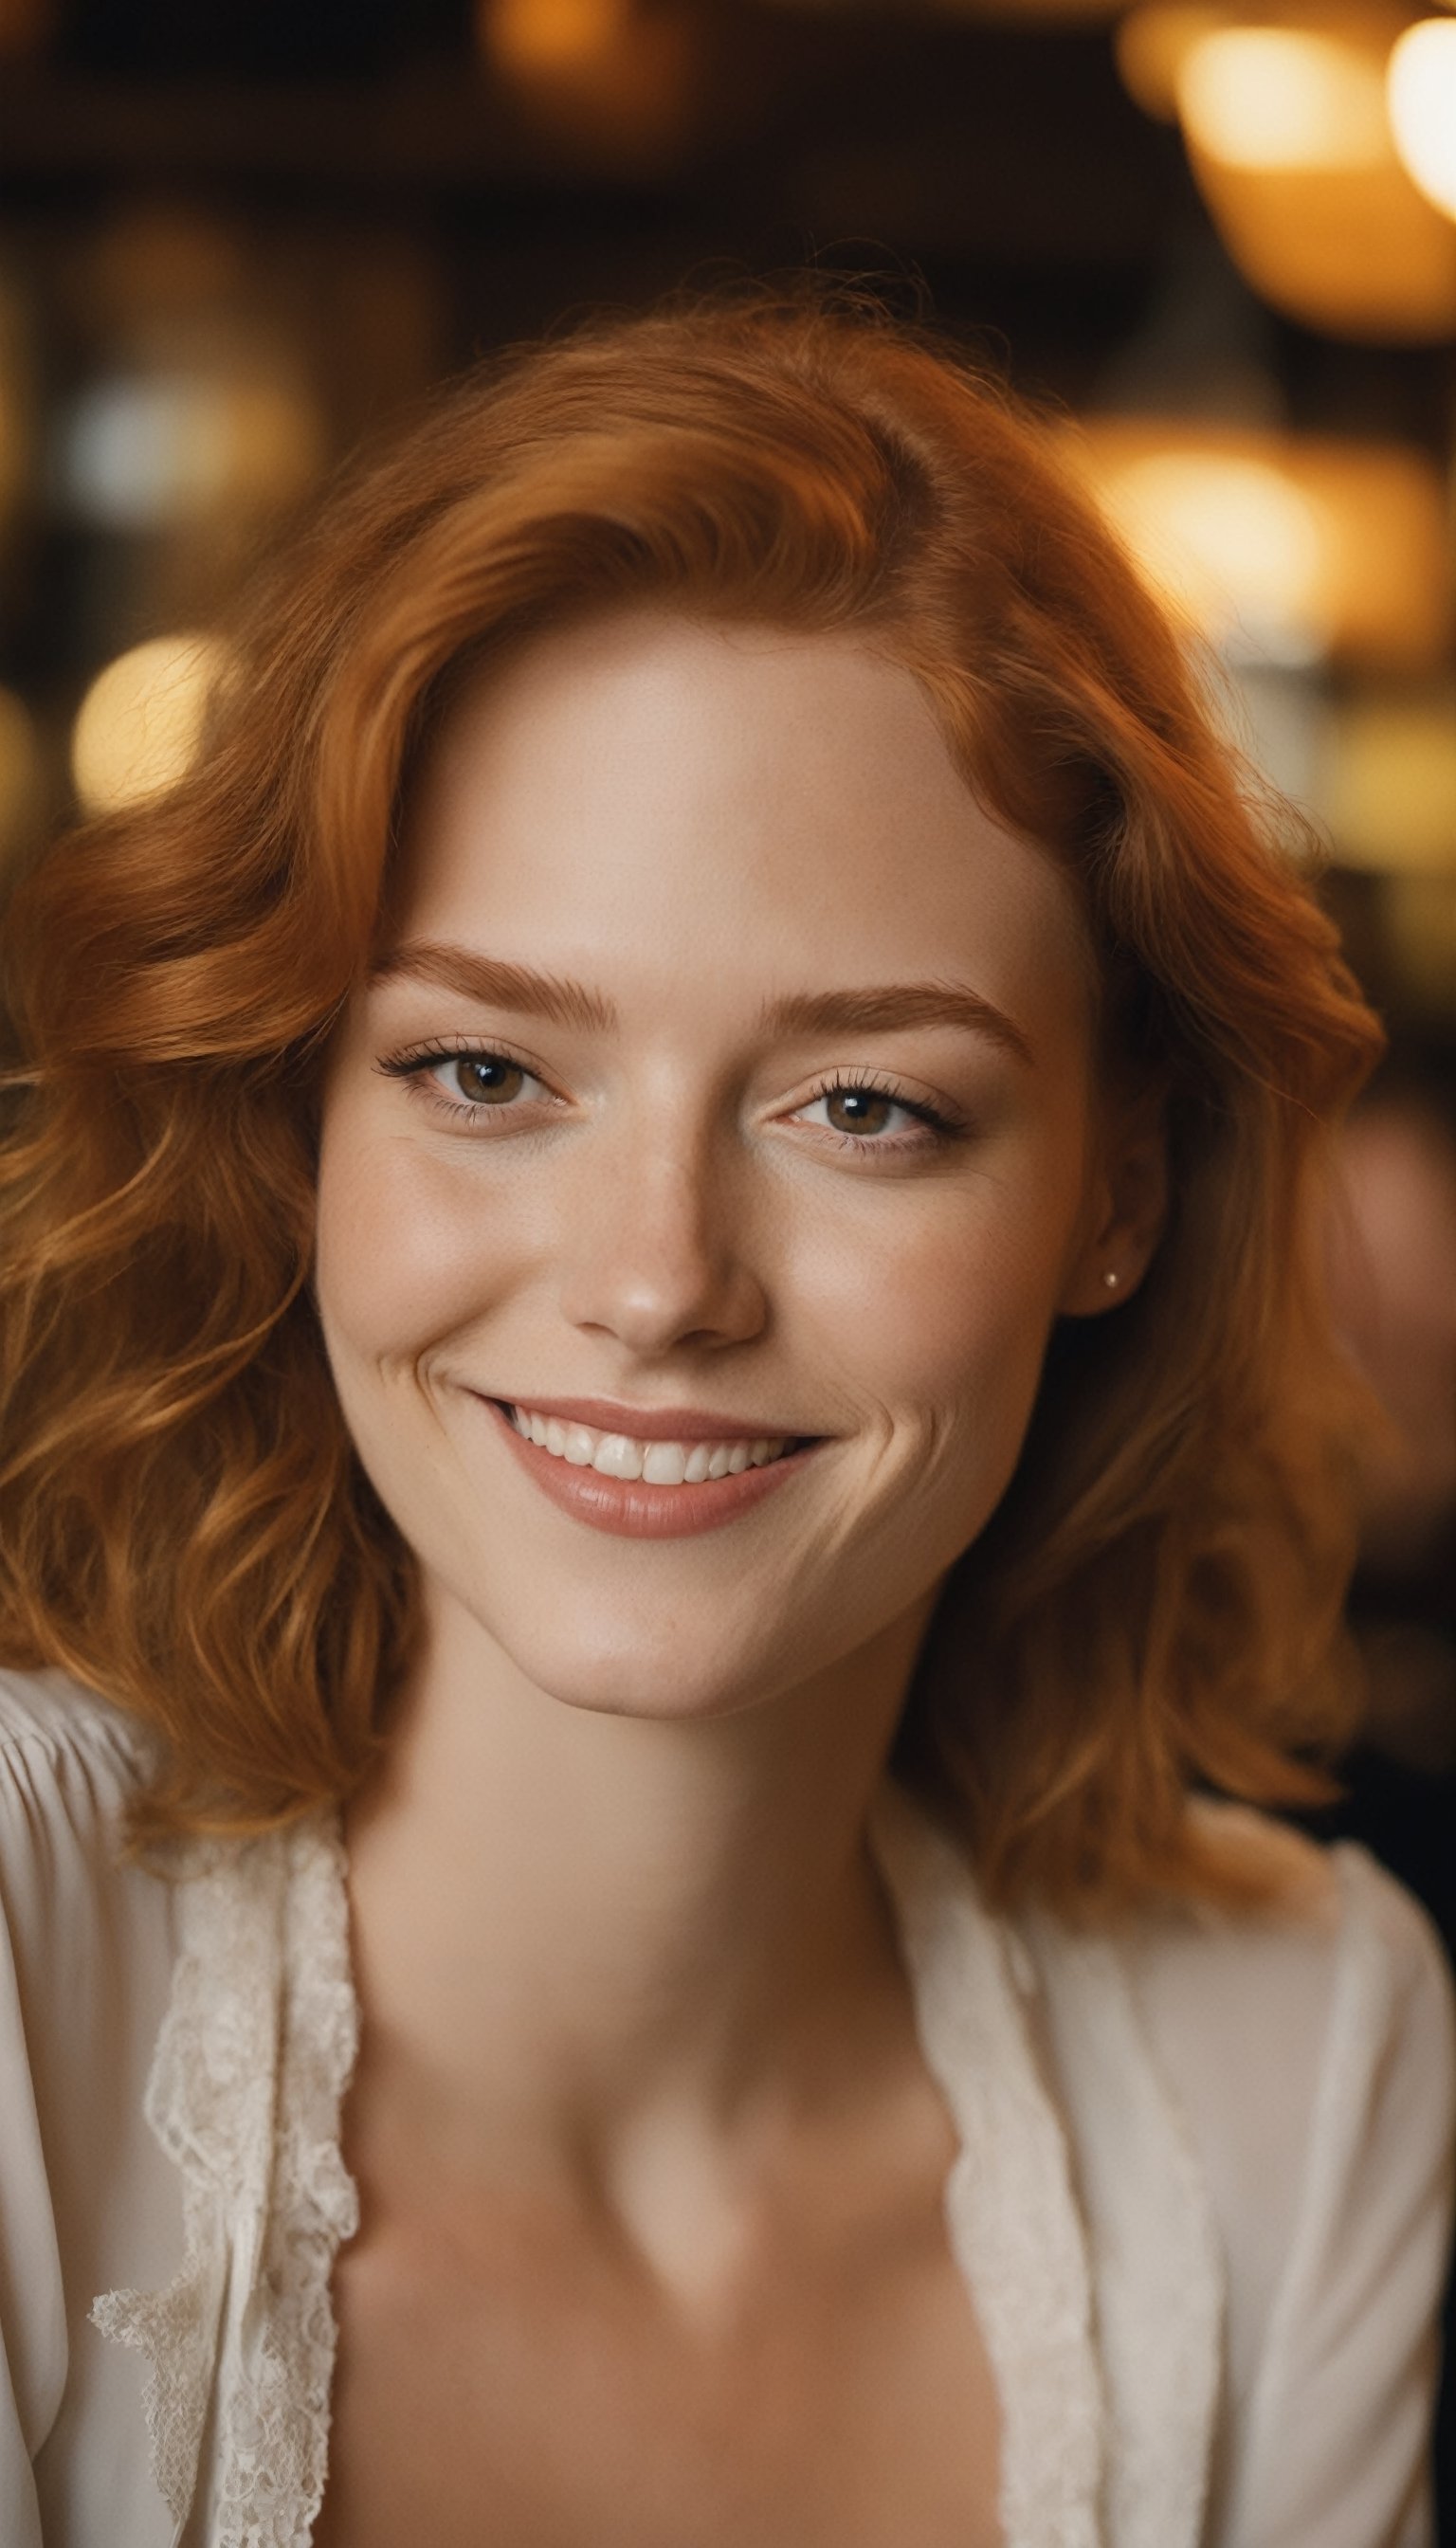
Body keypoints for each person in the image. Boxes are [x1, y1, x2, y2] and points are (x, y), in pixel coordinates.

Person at [0, 290, 1451, 2548]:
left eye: (866, 1104)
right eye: (486, 1075)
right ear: (297, 1116)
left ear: (1120, 1191)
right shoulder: (17, 1965)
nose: (660, 1280)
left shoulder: (1299, 2064)